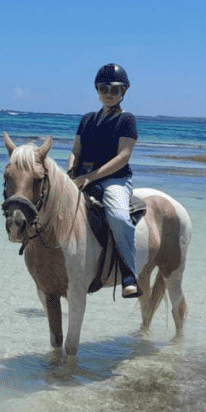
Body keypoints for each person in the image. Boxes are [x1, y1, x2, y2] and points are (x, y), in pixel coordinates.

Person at [67, 63, 142, 298]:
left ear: (123, 92)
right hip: (81, 179)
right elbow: (75, 151)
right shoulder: (87, 119)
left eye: (115, 90)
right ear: (97, 90)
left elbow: (123, 157)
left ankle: (129, 275)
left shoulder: (127, 120)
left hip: (114, 181)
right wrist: (70, 173)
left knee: (119, 216)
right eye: (103, 89)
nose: (108, 94)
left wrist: (89, 177)